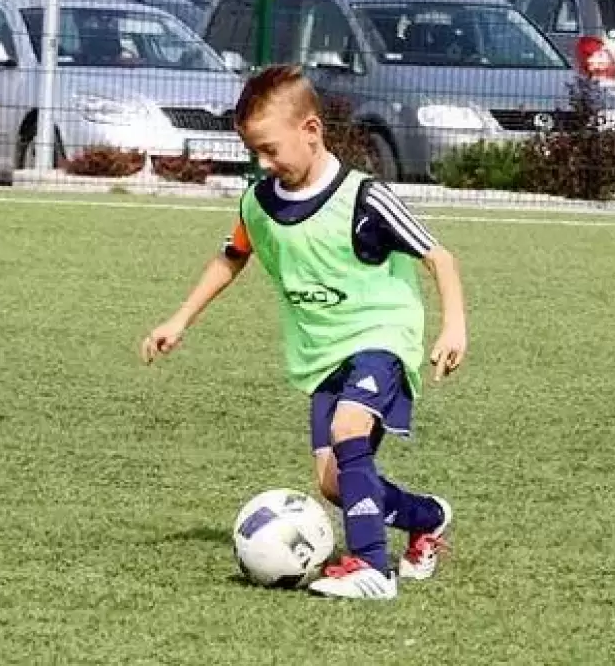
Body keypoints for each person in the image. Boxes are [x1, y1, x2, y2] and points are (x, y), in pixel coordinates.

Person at [140, 65, 468, 600]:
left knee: (349, 427)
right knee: (335, 483)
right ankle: (425, 518)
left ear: (310, 130)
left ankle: (372, 568)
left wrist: (453, 327)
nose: (264, 163)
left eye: (271, 150)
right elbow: (232, 256)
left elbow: (439, 257)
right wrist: (179, 319)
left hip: (382, 337)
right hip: (323, 356)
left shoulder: (365, 198)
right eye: (255, 152)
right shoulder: (258, 204)